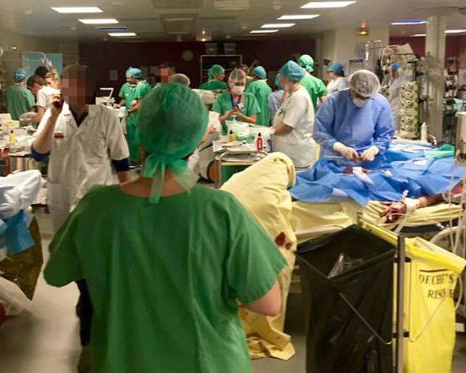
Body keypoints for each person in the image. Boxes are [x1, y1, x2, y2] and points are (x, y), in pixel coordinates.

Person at [44, 83, 286, 373]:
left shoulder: (96, 208)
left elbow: (57, 273)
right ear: (197, 139)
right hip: (207, 362)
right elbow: (268, 303)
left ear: (142, 134)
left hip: (123, 361)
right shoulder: (221, 211)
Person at [32, 66, 132, 365]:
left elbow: (122, 161)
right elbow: (38, 153)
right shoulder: (54, 116)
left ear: (88, 88)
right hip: (63, 200)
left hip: (97, 203)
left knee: (94, 267)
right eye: (67, 84)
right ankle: (87, 303)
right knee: (74, 263)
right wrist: (50, 116)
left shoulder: (106, 118)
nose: (72, 89)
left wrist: (130, 205)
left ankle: (89, 337)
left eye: (79, 84)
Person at [314, 69, 395, 163]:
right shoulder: (335, 101)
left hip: (366, 159)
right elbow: (318, 130)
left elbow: (385, 133)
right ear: (351, 88)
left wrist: (375, 149)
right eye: (359, 96)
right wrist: (338, 146)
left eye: (367, 98)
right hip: (335, 157)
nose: (362, 100)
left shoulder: (380, 103)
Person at [270, 60, 317, 170]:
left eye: (281, 78)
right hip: (290, 151)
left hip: (297, 155)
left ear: (288, 79)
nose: (280, 81)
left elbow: (287, 126)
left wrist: (270, 131)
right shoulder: (292, 95)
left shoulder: (299, 97)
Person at [118, 67, 151, 164]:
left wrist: (129, 111)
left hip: (139, 118)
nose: (127, 80)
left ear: (133, 77)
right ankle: (138, 162)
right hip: (141, 118)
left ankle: (138, 163)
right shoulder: (146, 85)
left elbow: (139, 105)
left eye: (128, 78)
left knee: (138, 142)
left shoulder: (140, 87)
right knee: (137, 142)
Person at [388, 63, 404, 130]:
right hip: (391, 104)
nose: (392, 73)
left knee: (396, 122)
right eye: (391, 71)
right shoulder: (391, 81)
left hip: (397, 105)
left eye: (394, 71)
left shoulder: (400, 81)